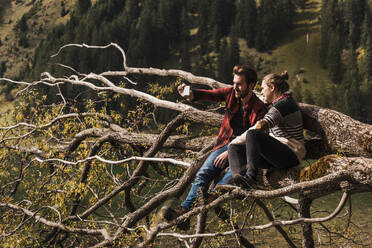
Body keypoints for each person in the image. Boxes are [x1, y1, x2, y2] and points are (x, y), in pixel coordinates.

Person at [164, 65, 267, 229]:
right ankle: (183, 211)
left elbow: (253, 136)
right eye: (234, 83)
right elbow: (210, 95)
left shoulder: (259, 107)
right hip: (225, 143)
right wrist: (190, 94)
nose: (235, 87)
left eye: (239, 84)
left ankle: (210, 199)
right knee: (203, 173)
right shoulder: (230, 94)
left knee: (229, 179)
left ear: (251, 85)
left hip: (244, 150)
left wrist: (228, 153)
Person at [228, 71, 306, 188]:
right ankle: (237, 181)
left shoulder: (285, 104)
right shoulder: (279, 102)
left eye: (263, 88)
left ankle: (250, 179)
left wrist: (236, 140)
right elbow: (261, 97)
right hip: (277, 155)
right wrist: (232, 144)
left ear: (272, 88)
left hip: (290, 155)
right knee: (234, 148)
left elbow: (260, 126)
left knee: (253, 135)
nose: (261, 91)